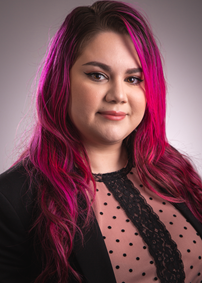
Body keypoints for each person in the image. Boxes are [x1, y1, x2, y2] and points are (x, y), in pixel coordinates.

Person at [0, 1, 202, 282]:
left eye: (133, 79)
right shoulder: (12, 199)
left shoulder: (171, 167)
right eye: (98, 75)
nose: (118, 95)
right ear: (62, 82)